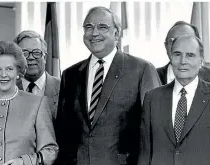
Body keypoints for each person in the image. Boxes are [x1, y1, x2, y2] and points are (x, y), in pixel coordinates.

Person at [55, 6, 161, 165]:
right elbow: (63, 132)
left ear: (117, 33)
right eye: (88, 27)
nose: (94, 33)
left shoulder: (141, 69)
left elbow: (155, 128)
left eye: (102, 27)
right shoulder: (70, 74)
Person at [0, 41, 58, 165]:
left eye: (10, 69)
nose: (4, 75)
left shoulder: (37, 104)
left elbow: (51, 151)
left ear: (18, 72)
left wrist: (24, 162)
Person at [138, 36, 210, 165]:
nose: (183, 61)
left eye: (190, 55)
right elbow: (145, 153)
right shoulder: (152, 98)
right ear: (171, 58)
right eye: (177, 54)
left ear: (201, 60)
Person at [13, 30, 60, 118]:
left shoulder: (64, 89)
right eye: (24, 53)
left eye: (36, 52)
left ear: (45, 58)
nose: (31, 57)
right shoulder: (8, 90)